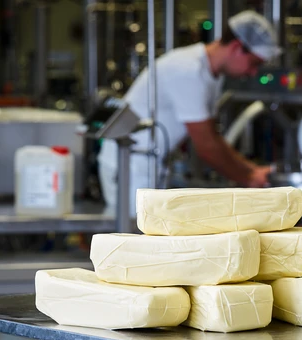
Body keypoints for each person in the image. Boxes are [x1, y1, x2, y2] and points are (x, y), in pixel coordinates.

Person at [97, 10, 282, 214]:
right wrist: (249, 177)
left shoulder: (212, 75)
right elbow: (206, 145)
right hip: (130, 166)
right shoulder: (189, 70)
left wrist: (251, 170)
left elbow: (212, 136)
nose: (253, 72)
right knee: (135, 238)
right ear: (237, 47)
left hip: (149, 164)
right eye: (254, 63)